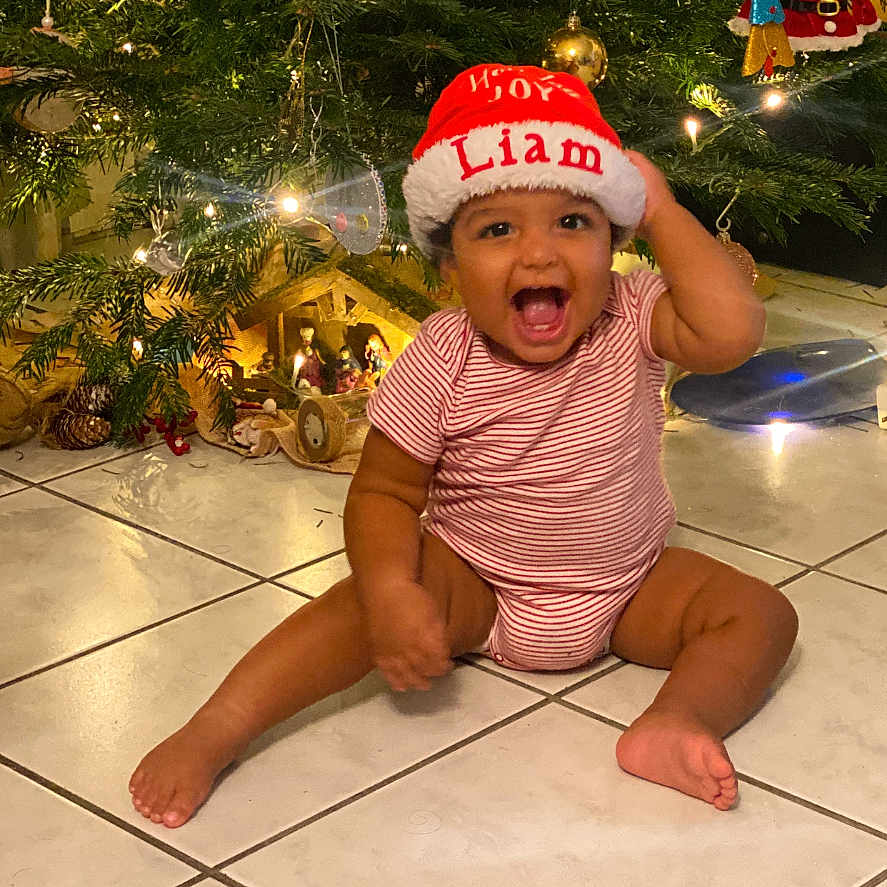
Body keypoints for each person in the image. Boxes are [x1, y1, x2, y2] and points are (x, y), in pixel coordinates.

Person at [129, 64, 797, 828]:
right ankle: (217, 727)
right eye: (498, 229)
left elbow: (732, 331)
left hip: (626, 584)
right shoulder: (442, 356)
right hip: (478, 584)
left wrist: (665, 211)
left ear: (614, 241)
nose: (540, 254)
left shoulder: (632, 313)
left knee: (761, 613)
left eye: (572, 223)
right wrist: (389, 590)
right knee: (362, 601)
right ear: (450, 271)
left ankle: (676, 721)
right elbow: (383, 491)